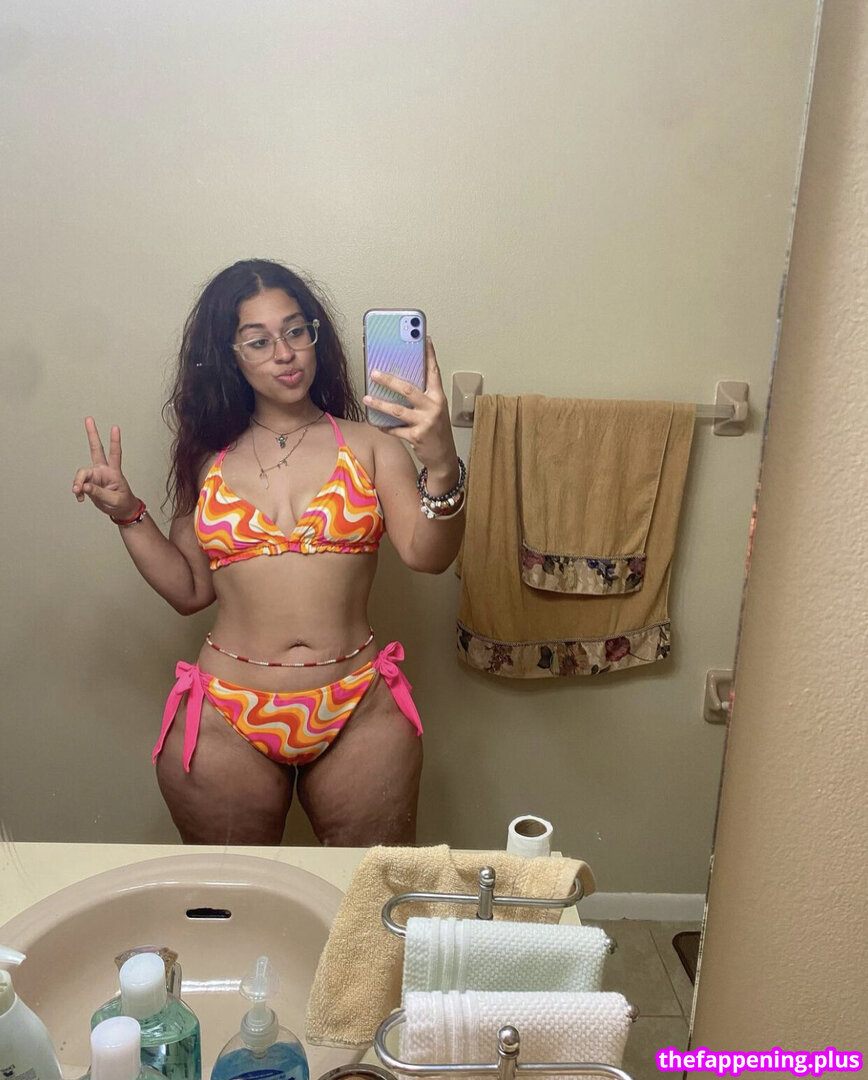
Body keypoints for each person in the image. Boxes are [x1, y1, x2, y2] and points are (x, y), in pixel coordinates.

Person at [72, 259, 465, 845]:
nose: (285, 354)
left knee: (369, 887)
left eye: (295, 331)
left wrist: (442, 463)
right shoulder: (207, 460)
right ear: (229, 355)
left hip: (357, 705)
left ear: (314, 335)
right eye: (258, 341)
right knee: (233, 891)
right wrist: (127, 513)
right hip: (226, 712)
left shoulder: (371, 445)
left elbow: (427, 555)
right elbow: (190, 591)